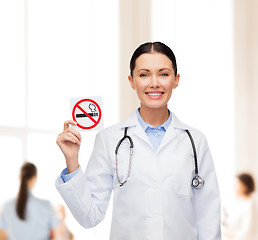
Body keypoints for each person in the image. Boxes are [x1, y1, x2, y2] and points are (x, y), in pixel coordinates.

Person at [55, 41, 221, 240]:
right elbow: (90, 216)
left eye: (164, 74)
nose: (154, 83)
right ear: (131, 81)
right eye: (144, 74)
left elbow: (208, 217)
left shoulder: (195, 141)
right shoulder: (110, 139)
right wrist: (72, 160)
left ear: (176, 80)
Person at [0, 162, 59, 240]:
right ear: (35, 177)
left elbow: (2, 237)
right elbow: (54, 236)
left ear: (20, 177)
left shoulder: (6, 206)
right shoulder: (46, 205)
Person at [222, 173, 257, 240]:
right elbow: (235, 222)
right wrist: (225, 222)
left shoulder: (250, 205)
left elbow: (247, 231)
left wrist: (230, 234)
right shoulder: (239, 202)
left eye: (237, 184)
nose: (233, 186)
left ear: (245, 186)